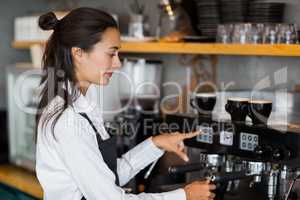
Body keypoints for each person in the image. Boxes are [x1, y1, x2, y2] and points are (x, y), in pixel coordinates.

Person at [35, 7, 216, 200]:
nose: (118, 63)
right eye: (111, 54)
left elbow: (108, 175)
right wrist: (184, 196)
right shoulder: (69, 120)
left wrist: (155, 144)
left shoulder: (81, 104)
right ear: (78, 53)